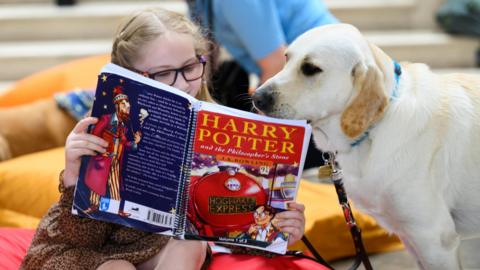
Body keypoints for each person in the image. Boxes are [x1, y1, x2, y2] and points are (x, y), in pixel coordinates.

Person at [21, 7, 306, 270]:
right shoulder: (108, 129)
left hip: (153, 248)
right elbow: (83, 240)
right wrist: (74, 177)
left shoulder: (219, 128)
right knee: (116, 268)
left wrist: (278, 227)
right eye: (164, 73)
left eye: (190, 67)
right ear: (129, 77)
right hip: (83, 252)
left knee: (190, 245)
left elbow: (228, 227)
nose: (182, 83)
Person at [188, 0, 338, 169]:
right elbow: (202, 63)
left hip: (323, 88)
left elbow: (276, 65)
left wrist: (258, 148)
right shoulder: (198, 4)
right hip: (302, 84)